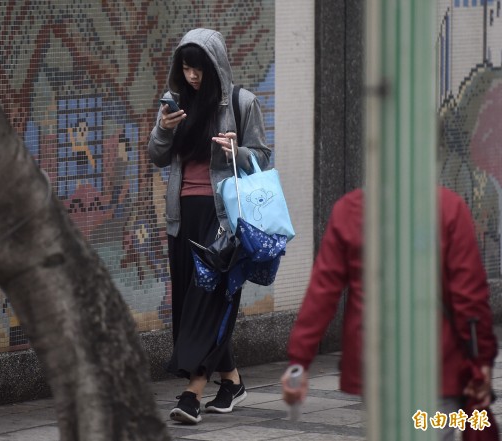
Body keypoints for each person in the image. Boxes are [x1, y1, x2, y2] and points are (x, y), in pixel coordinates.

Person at [281, 187, 498, 441]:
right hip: (439, 361)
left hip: (377, 364)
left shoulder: (351, 210)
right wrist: (481, 358)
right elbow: (469, 296)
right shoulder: (448, 207)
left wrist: (299, 361)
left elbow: (323, 292)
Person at [148, 28, 271, 424]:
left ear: (216, 66)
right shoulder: (174, 102)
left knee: (207, 301)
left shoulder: (241, 102)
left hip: (224, 220)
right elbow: (157, 157)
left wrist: (239, 150)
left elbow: (262, 159)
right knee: (191, 305)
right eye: (186, 68)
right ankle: (231, 381)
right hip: (182, 218)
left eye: (199, 69)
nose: (192, 76)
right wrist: (163, 129)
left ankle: (191, 394)